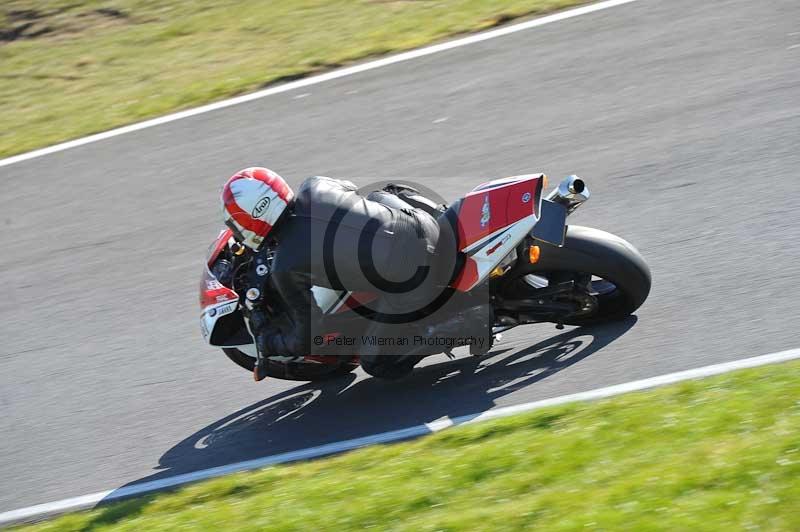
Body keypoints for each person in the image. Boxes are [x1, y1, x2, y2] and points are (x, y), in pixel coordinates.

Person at [221, 167, 455, 381]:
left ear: (250, 219)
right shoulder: (315, 185)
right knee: (376, 196)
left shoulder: (285, 267)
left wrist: (271, 342)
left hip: (413, 281)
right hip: (423, 225)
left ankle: (451, 329)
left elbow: (310, 334)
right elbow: (351, 193)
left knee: (375, 362)